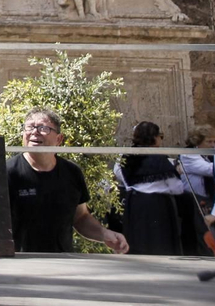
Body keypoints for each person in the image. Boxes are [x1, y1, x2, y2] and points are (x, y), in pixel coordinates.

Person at [7, 107, 128, 253]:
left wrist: (105, 234)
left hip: (62, 263)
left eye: (43, 128)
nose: (34, 132)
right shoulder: (7, 172)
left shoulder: (72, 172)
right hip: (19, 264)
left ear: (59, 139)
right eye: (29, 127)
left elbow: (81, 217)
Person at [117, 121, 185, 255]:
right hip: (157, 205)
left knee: (138, 242)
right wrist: (178, 172)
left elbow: (124, 180)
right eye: (160, 135)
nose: (160, 139)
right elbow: (177, 188)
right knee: (159, 243)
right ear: (153, 137)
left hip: (135, 203)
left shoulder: (127, 157)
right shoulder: (159, 159)